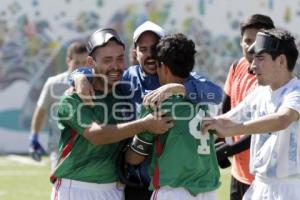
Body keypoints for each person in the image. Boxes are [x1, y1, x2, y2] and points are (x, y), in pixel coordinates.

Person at [70, 20, 223, 200]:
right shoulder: (128, 77)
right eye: (143, 49)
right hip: (138, 182)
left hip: (171, 182)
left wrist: (176, 88)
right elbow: (97, 72)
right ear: (134, 53)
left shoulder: (185, 78)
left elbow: (217, 94)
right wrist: (79, 76)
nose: (150, 55)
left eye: (154, 48)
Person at [50, 28, 173, 200]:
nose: (115, 66)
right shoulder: (73, 97)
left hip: (115, 190)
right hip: (75, 187)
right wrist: (144, 125)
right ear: (91, 62)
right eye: (108, 60)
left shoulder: (125, 92)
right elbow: (96, 135)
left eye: (119, 58)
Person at [202, 28, 300, 200]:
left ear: (281, 61)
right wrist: (205, 123)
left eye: (260, 58)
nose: (253, 66)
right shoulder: (260, 93)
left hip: (291, 190)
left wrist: (232, 131)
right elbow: (228, 119)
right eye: (253, 59)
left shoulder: (296, 93)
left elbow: (282, 119)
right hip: (260, 187)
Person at [126, 33, 220, 200]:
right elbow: (218, 94)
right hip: (208, 189)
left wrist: (122, 157)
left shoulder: (156, 104)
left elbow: (135, 157)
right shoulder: (203, 97)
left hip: (172, 190)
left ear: (163, 67)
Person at [218, 14, 275, 200]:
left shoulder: (273, 79)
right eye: (247, 41)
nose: (251, 47)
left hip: (263, 176)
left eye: (257, 41)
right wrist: (219, 141)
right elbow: (225, 108)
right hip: (239, 172)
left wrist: (228, 150)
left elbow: (263, 128)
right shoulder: (237, 66)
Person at [29, 41, 88, 170]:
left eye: (84, 63)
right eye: (77, 63)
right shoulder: (53, 83)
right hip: (59, 147)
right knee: (59, 188)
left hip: (87, 147)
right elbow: (41, 110)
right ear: (68, 60)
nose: (80, 67)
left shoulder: (94, 83)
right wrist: (34, 137)